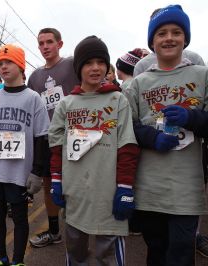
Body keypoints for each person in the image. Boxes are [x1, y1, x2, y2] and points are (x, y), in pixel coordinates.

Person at [125, 5, 208, 265]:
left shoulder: (202, 75)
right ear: (152, 41)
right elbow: (128, 127)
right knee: (157, 248)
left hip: (186, 184)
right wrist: (152, 138)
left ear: (185, 38)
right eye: (161, 33)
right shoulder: (139, 82)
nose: (169, 38)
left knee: (182, 249)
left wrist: (192, 118)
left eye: (176, 32)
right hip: (150, 185)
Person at [49, 35, 139, 265]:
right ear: (79, 68)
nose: (96, 68)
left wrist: (125, 188)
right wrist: (57, 181)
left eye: (101, 62)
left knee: (107, 256)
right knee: (76, 252)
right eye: (89, 63)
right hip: (75, 193)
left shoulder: (118, 100)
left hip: (108, 194)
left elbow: (127, 147)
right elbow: (57, 147)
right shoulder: (66, 105)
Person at [0, 44, 49, 266]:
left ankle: (17, 261)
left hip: (19, 172)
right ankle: (0, 257)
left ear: (20, 65)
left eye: (8, 62)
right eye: (0, 63)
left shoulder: (33, 98)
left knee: (19, 218)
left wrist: (37, 171)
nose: (3, 66)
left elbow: (41, 137)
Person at [27, 27, 79, 248]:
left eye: (49, 42)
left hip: (75, 135)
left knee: (77, 184)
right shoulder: (35, 76)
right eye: (41, 43)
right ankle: (54, 231)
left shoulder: (71, 64)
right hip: (48, 138)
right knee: (50, 186)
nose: (45, 46)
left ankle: (81, 230)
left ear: (60, 43)